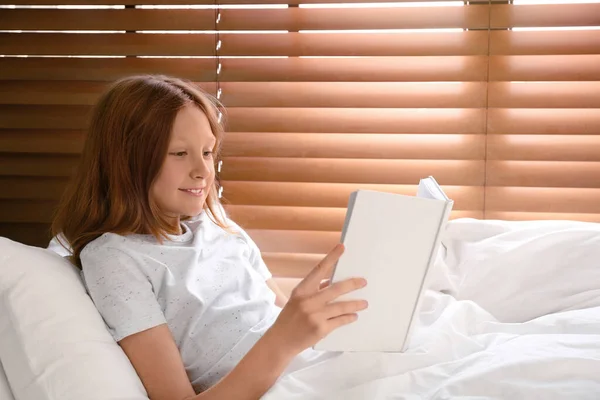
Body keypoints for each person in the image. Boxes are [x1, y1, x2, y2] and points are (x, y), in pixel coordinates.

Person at [51, 75, 368, 400]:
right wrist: (285, 339)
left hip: (319, 368)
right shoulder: (114, 259)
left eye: (207, 151)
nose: (202, 170)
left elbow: (282, 320)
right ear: (126, 161)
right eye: (179, 153)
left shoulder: (219, 229)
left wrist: (315, 315)